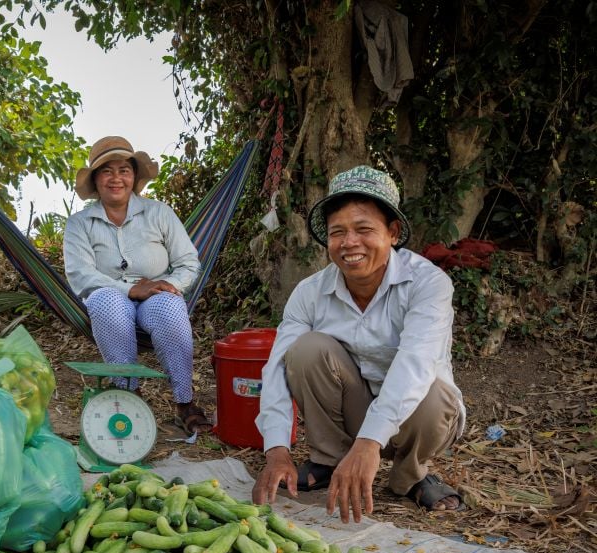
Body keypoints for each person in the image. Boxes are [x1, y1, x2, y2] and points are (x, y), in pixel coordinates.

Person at [251, 165, 466, 522]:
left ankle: (410, 476)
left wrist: (368, 444)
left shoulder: (428, 284)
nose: (349, 243)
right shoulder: (311, 292)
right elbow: (275, 368)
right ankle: (329, 459)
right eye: (338, 232)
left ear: (393, 232)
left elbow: (415, 363)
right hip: (357, 406)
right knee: (305, 350)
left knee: (435, 392)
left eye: (364, 229)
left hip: (418, 416)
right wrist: (276, 450)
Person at [63, 136, 212, 434]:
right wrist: (130, 290)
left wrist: (167, 285)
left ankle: (185, 402)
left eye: (124, 170)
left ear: (134, 177)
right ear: (95, 180)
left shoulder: (159, 213)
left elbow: (188, 262)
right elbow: (80, 274)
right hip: (108, 296)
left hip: (155, 297)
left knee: (171, 306)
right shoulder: (80, 223)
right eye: (107, 171)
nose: (116, 178)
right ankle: (129, 393)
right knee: (107, 302)